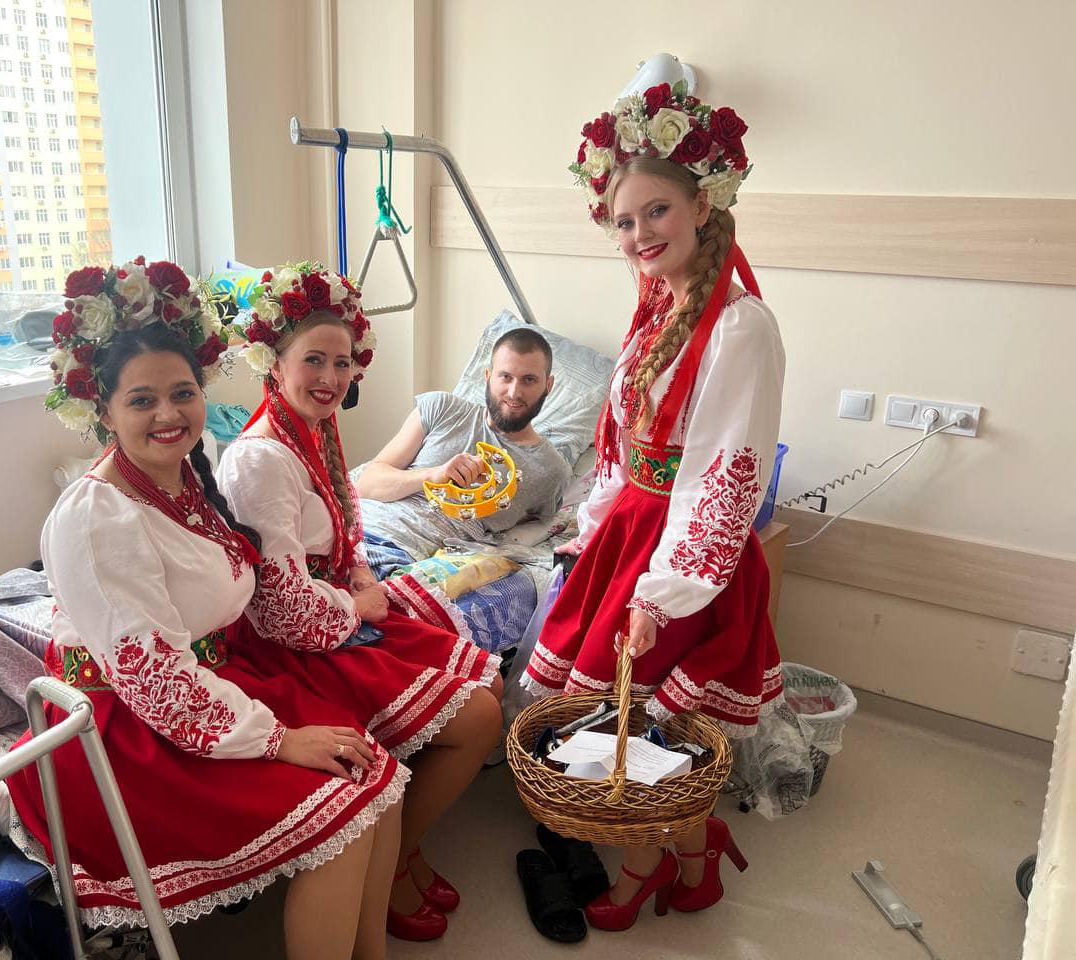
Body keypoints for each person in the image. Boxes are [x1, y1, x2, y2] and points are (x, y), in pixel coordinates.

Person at [4, 259, 404, 960]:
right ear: (103, 411)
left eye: (182, 393)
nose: (169, 415)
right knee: (344, 807)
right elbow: (156, 682)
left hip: (207, 684)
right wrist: (280, 740)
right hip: (125, 732)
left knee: (375, 769)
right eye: (142, 400)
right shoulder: (97, 517)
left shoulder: (187, 477)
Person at [523, 82, 785, 929]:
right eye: (624, 220)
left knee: (643, 725)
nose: (638, 234)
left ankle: (645, 867)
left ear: (704, 205)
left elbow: (725, 475)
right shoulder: (657, 311)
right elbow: (625, 445)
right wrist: (592, 527)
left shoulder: (740, 327)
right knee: (628, 717)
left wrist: (663, 592)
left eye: (656, 211)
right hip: (634, 533)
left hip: (680, 554)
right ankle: (695, 860)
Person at [219, 261, 503, 942]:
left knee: (488, 697)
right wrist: (360, 608)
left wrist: (364, 578)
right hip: (287, 645)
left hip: (338, 611)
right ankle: (396, 858)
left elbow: (348, 521)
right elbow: (279, 611)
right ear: (274, 364)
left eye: (342, 362)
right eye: (313, 360)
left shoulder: (314, 430)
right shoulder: (260, 459)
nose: (330, 377)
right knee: (477, 718)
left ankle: (401, 850)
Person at [354, 327, 571, 577]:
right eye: (505, 377)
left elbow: (538, 525)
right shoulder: (441, 408)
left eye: (529, 380)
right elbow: (366, 484)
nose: (514, 393)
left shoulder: (551, 470)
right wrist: (433, 475)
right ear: (488, 376)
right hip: (352, 528)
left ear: (548, 385)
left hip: (396, 556)